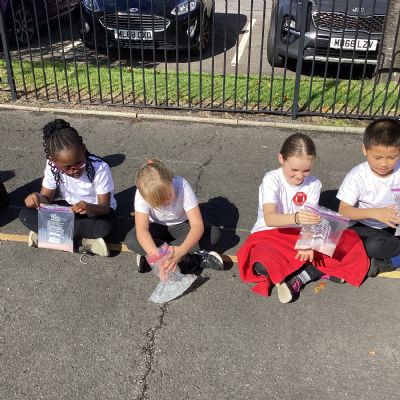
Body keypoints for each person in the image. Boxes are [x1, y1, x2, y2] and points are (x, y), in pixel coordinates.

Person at [237, 133, 369, 303]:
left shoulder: (314, 184)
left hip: (299, 234)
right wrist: (297, 218)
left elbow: (312, 220)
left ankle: (299, 277)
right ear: (281, 159)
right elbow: (270, 219)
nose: (300, 176)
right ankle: (312, 270)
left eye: (306, 170)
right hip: (270, 234)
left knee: (349, 242)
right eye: (294, 170)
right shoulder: (272, 179)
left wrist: (307, 245)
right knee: (263, 263)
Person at [19, 118, 117, 256]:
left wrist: (88, 207)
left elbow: (105, 207)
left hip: (95, 211)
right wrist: (36, 198)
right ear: (54, 162)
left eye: (79, 163)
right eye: (67, 167)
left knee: (104, 227)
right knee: (25, 214)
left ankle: (49, 235)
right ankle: (82, 242)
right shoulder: (52, 167)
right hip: (69, 209)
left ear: (83, 150)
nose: (75, 169)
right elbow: (46, 200)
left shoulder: (100, 168)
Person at [124, 159, 223, 273]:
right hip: (156, 227)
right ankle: (193, 260)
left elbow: (197, 225)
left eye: (168, 195)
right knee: (132, 240)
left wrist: (181, 251)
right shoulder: (142, 194)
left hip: (181, 226)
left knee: (213, 234)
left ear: (171, 180)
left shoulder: (182, 185)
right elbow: (142, 230)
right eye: (158, 203)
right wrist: (156, 254)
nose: (166, 203)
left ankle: (149, 256)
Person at [337, 119, 400, 277]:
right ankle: (390, 261)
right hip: (365, 227)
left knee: (373, 247)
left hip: (393, 227)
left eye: (392, 157)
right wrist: (374, 213)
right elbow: (344, 210)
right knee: (370, 245)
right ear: (365, 150)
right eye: (377, 157)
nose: (384, 164)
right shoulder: (357, 176)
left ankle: (384, 263)